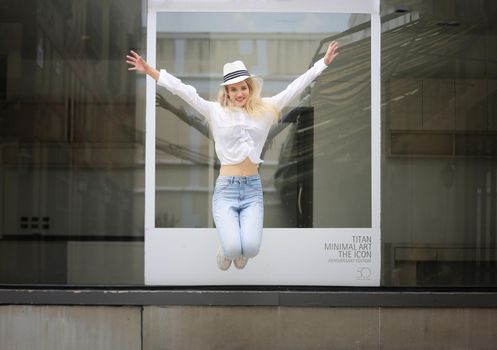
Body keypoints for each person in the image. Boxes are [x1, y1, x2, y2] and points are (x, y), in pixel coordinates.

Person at [126, 41, 339, 271]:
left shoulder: (265, 109)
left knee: (252, 249)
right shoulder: (215, 112)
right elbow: (183, 90)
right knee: (233, 249)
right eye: (234, 89)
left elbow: (293, 89)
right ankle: (227, 249)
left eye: (243, 87)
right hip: (227, 190)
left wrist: (322, 64)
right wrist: (150, 71)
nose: (240, 93)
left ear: (250, 88)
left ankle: (235, 248)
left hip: (252, 191)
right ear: (227, 91)